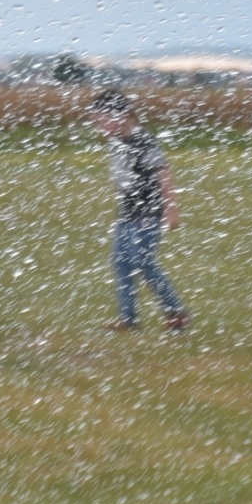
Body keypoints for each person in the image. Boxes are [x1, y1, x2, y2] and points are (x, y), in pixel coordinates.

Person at [89, 88, 189, 332]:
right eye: (97, 121)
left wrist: (171, 210)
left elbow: (164, 174)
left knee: (142, 260)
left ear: (120, 116)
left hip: (148, 212)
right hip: (128, 213)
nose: (99, 127)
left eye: (102, 120)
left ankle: (176, 312)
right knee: (121, 262)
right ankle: (128, 319)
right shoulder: (118, 141)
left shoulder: (142, 140)